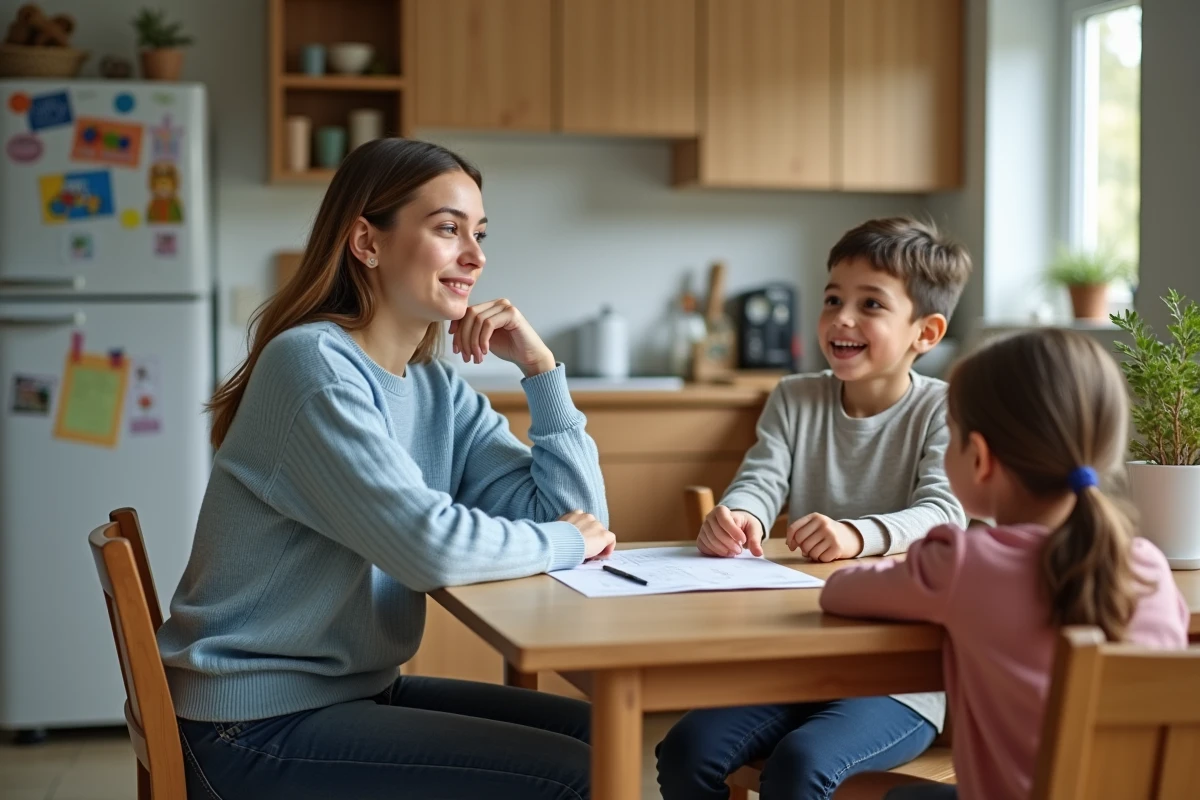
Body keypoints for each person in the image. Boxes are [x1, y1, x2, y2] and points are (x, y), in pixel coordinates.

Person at [157, 138, 615, 800]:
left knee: (601, 736)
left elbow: (578, 518)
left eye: (480, 233)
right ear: (367, 242)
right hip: (248, 721)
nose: (476, 256)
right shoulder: (312, 366)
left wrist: (541, 372)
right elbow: (430, 548)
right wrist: (567, 540)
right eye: (448, 229)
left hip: (347, 691)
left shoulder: (434, 387)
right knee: (575, 774)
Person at [658, 218, 972, 799]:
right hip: (794, 655)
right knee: (686, 752)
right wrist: (741, 515)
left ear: (925, 332)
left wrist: (857, 535)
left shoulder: (944, 409)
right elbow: (761, 478)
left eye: (870, 304)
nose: (841, 318)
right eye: (832, 299)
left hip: (898, 682)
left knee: (800, 766)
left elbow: (943, 513)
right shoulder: (794, 396)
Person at [822, 329, 1190, 800]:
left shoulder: (965, 564)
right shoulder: (1150, 568)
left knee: (853, 789)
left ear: (979, 458)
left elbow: (839, 592)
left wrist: (934, 553)